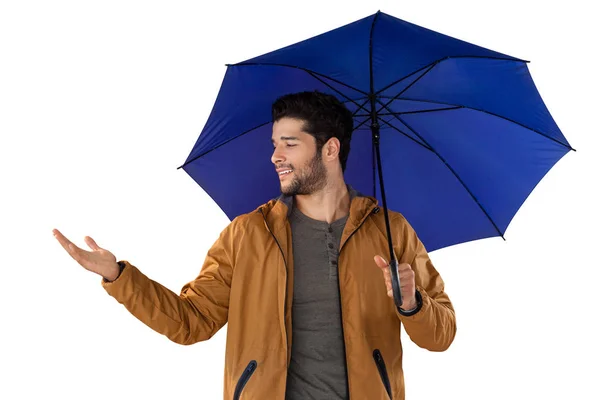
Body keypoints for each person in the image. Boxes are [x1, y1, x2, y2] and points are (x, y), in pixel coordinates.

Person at [53, 91, 456, 400]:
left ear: (330, 149)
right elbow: (191, 322)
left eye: (289, 143)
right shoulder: (249, 234)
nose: (275, 156)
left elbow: (441, 336)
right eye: (274, 144)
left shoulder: (392, 231)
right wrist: (118, 276)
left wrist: (412, 305)